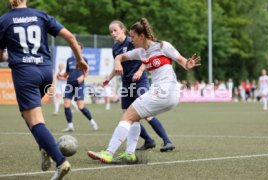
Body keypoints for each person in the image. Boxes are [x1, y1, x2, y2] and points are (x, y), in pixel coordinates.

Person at [87, 17, 200, 163]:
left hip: (164, 92)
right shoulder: (141, 52)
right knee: (133, 117)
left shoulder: (162, 46)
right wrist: (116, 62)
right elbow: (121, 57)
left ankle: (108, 153)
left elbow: (182, 60)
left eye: (133, 37)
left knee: (127, 116)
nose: (131, 40)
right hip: (166, 95)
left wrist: (188, 64)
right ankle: (129, 154)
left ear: (141, 36)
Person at [0, 0, 89, 179]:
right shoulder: (40, 15)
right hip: (45, 72)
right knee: (30, 116)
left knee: (35, 121)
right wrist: (80, 60)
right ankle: (44, 148)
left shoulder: (4, 20)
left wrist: (7, 56)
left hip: (25, 74)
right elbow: (70, 37)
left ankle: (60, 160)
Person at [103, 20, 175, 152]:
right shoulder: (115, 48)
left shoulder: (133, 41)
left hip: (139, 81)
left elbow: (146, 56)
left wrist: (140, 70)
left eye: (115, 30)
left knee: (145, 114)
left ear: (123, 30)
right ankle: (148, 140)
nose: (113, 34)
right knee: (127, 114)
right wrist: (109, 78)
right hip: (126, 83)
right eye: (111, 32)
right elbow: (118, 64)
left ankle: (167, 141)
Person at [58, 42, 98, 132]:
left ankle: (92, 122)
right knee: (66, 104)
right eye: (74, 48)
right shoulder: (69, 60)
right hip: (69, 84)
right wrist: (60, 75)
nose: (75, 49)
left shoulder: (84, 59)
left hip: (79, 84)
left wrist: (82, 77)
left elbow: (87, 72)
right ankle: (70, 126)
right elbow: (67, 73)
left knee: (80, 106)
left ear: (81, 50)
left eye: (78, 48)